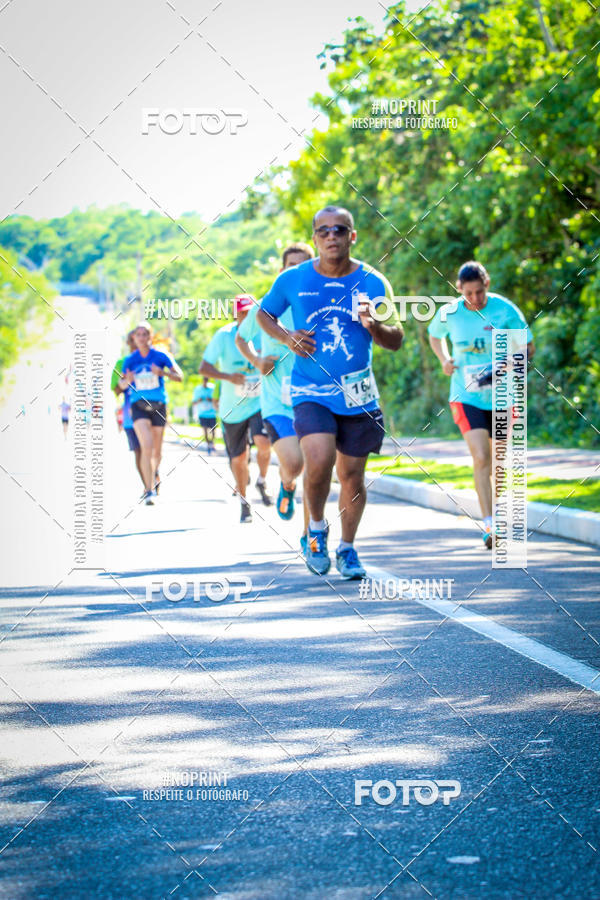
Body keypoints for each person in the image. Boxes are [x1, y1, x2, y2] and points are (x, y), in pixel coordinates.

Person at [258, 206, 404, 578]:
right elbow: (264, 314)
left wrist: (373, 324)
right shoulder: (293, 279)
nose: (331, 236)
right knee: (319, 460)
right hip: (311, 389)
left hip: (359, 395)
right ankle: (317, 532)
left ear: (352, 236)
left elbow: (396, 339)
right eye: (323, 231)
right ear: (315, 239)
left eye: (339, 229)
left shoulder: (373, 281)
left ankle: (348, 549)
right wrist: (287, 337)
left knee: (353, 476)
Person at [428, 260, 534, 548]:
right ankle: (489, 525)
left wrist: (511, 361)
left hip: (503, 396)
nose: (475, 299)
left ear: (486, 284)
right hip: (466, 396)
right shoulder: (449, 312)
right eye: (468, 293)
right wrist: (444, 360)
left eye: (479, 292)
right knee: (481, 458)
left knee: (498, 461)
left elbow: (528, 347)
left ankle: (496, 514)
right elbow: (434, 336)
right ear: (460, 290)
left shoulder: (504, 309)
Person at [236, 243, 314, 540]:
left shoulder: (320, 307)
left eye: (303, 265)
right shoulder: (265, 309)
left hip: (315, 400)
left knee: (314, 469)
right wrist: (257, 360)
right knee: (294, 463)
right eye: (290, 265)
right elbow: (242, 340)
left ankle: (311, 535)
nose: (296, 271)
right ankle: (286, 482)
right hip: (277, 404)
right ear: (281, 271)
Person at [200, 296, 272, 522]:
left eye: (250, 312)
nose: (246, 317)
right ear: (235, 314)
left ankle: (261, 479)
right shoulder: (223, 336)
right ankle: (244, 501)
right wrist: (227, 377)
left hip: (260, 402)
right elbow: (204, 368)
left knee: (264, 442)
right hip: (232, 408)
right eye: (242, 313)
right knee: (239, 459)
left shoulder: (264, 332)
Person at [121, 323, 183, 505]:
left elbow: (179, 376)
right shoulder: (130, 360)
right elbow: (122, 385)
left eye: (144, 334)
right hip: (138, 405)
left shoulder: (161, 356)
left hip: (158, 405)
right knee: (146, 447)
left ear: (150, 336)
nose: (141, 337)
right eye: (138, 334)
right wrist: (128, 381)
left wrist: (162, 373)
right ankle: (149, 490)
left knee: (156, 451)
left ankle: (154, 473)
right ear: (134, 338)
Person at [111, 330, 144, 493]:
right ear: (129, 343)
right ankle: (148, 485)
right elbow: (115, 389)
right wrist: (126, 382)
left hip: (152, 411)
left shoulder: (152, 358)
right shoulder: (121, 363)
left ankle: (154, 474)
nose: (136, 344)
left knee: (151, 449)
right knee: (139, 451)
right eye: (133, 341)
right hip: (131, 415)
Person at [192, 376, 218, 453]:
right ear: (202, 381)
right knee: (205, 431)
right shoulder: (198, 389)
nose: (205, 382)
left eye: (207, 380)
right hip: (202, 414)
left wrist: (210, 400)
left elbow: (217, 400)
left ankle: (212, 443)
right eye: (204, 380)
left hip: (212, 414)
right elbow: (193, 402)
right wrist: (199, 400)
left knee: (213, 430)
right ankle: (208, 445)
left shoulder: (213, 388)